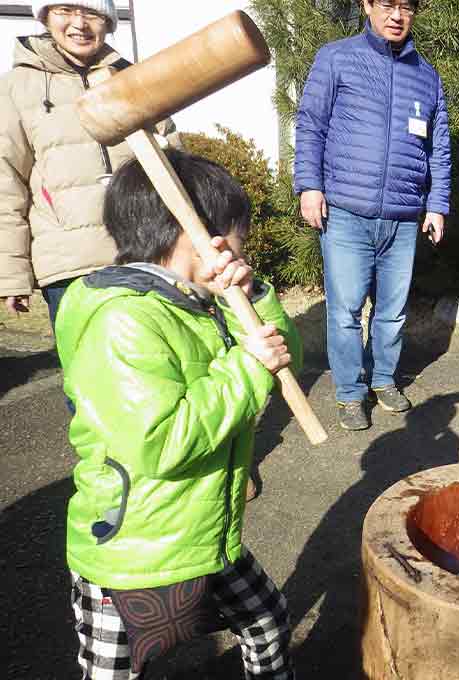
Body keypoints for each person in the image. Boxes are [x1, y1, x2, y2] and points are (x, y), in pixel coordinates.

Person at [55, 150, 300, 678]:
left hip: (206, 532)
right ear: (199, 236)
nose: (243, 248)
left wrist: (251, 296)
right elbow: (161, 442)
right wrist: (246, 365)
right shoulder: (122, 320)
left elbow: (284, 364)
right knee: (113, 673)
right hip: (132, 549)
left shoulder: (201, 302)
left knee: (267, 623)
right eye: (239, 235)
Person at [294, 0, 451, 431]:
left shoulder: (427, 75)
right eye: (387, 4)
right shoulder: (337, 57)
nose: (396, 14)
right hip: (345, 209)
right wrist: (309, 185)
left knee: (393, 310)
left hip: (402, 215)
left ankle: (383, 379)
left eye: (406, 6)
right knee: (344, 309)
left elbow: (438, 147)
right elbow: (310, 123)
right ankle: (349, 392)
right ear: (367, 6)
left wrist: (437, 203)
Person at [0, 1, 178, 328]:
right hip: (70, 266)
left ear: (109, 21)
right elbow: (5, 183)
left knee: (156, 367)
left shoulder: (132, 77)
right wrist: (11, 273)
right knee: (89, 371)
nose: (79, 23)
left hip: (144, 253)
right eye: (65, 10)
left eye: (92, 13)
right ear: (45, 16)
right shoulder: (15, 88)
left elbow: (174, 159)